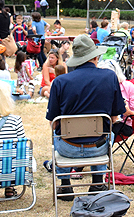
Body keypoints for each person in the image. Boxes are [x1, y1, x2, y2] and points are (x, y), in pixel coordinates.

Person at [46, 34, 125, 200]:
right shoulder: (109, 77)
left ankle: (65, 185)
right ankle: (97, 182)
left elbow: (53, 122)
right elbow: (115, 118)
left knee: (56, 132)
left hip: (68, 147)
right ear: (95, 57)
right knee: (107, 132)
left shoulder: (60, 82)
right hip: (99, 146)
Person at [97, 59, 134, 139]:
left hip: (121, 124)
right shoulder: (96, 87)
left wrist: (129, 112)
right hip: (98, 123)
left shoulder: (128, 87)